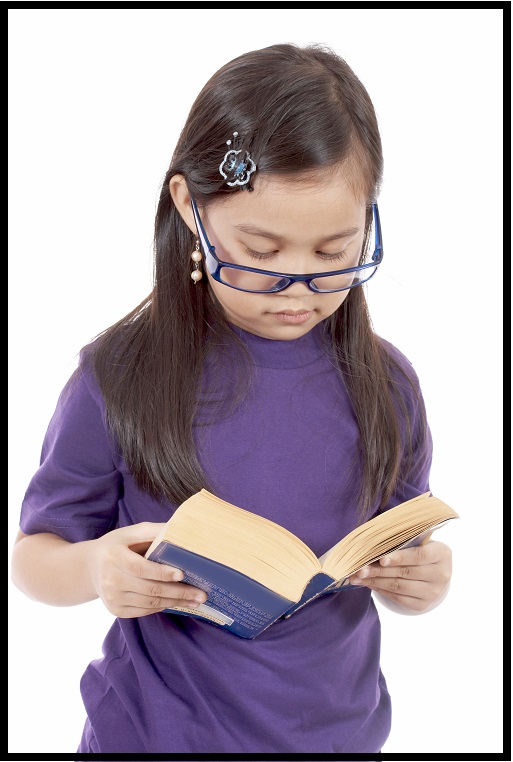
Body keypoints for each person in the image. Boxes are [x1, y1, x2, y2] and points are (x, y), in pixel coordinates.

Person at [11, 42, 452, 754]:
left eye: (334, 251)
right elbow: (35, 556)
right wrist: (95, 568)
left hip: (338, 736)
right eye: (262, 250)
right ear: (190, 206)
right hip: (154, 737)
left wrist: (421, 581)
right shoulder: (120, 374)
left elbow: (401, 543)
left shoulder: (386, 384)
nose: (299, 284)